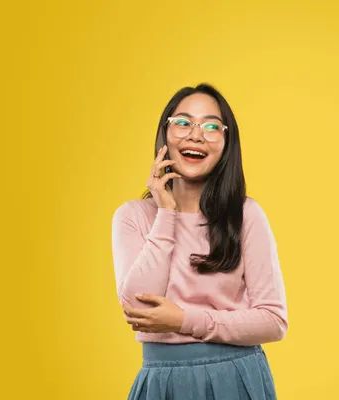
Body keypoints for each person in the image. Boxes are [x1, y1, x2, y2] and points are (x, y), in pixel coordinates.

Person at [111, 83, 288, 399]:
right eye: (183, 122)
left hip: (236, 377)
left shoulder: (246, 215)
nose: (195, 134)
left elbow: (273, 320)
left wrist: (183, 319)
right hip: (163, 383)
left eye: (210, 126)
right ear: (165, 134)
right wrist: (166, 212)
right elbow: (139, 309)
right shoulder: (133, 216)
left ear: (225, 143)